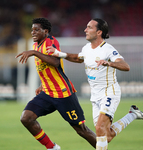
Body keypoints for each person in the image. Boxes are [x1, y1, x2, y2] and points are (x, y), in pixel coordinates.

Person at [46, 18, 143, 150]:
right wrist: (58, 53)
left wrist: (109, 63)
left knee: (99, 127)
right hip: (95, 95)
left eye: (89, 27)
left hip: (109, 93)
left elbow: (125, 66)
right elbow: (79, 58)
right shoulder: (86, 48)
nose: (85, 30)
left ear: (99, 32)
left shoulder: (108, 49)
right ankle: (133, 114)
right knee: (105, 135)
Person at [15, 17, 96, 150]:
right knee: (26, 118)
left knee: (82, 130)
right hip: (47, 92)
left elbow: (55, 62)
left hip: (63, 93)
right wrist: (42, 84)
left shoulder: (50, 41)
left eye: (36, 30)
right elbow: (45, 68)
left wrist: (34, 53)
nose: (33, 32)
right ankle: (52, 147)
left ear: (45, 31)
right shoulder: (36, 45)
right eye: (32, 30)